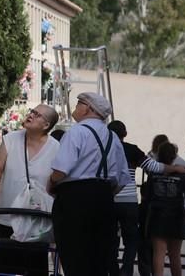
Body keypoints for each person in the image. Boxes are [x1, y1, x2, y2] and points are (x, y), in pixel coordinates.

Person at [47, 92, 129, 276]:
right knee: (99, 258)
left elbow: (61, 170)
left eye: (79, 103)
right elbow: (123, 177)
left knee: (74, 256)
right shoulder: (113, 137)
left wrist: (51, 182)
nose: (76, 106)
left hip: (75, 199)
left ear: (89, 108)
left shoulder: (77, 131)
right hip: (104, 198)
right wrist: (105, 193)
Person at [106, 121, 185, 276]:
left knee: (109, 238)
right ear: (125, 134)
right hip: (129, 200)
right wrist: (175, 168)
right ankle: (127, 269)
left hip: (108, 200)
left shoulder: (102, 148)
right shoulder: (132, 150)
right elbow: (153, 167)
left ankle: (113, 270)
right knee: (131, 239)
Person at [0, 104, 60, 276]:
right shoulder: (11, 139)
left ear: (46, 125)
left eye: (37, 115)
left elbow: (58, 179)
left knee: (34, 267)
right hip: (8, 213)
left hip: (37, 219)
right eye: (32, 112)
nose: (31, 115)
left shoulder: (56, 148)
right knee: (2, 267)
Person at [146, 142, 185, 276]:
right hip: (176, 215)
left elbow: (147, 195)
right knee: (175, 255)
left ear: (159, 155)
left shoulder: (153, 174)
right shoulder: (183, 175)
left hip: (157, 215)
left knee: (158, 254)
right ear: (174, 156)